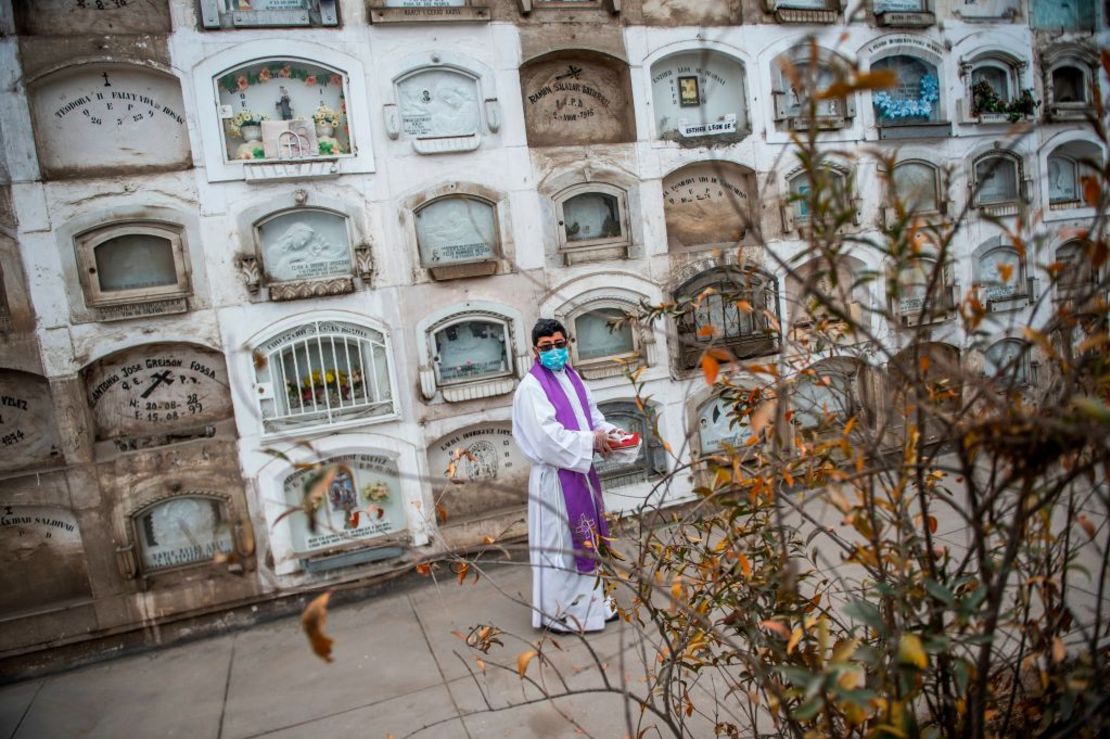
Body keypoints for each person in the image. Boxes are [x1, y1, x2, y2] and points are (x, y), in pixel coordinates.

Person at [512, 318, 621, 633]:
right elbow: (547, 438)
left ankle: (593, 606)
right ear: (535, 350)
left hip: (580, 473)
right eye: (547, 347)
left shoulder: (573, 377)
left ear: (567, 344)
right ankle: (561, 613)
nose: (555, 351)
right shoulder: (532, 388)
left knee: (588, 537)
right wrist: (591, 441)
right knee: (561, 543)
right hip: (556, 480)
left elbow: (593, 416)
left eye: (560, 345)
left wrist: (611, 435)